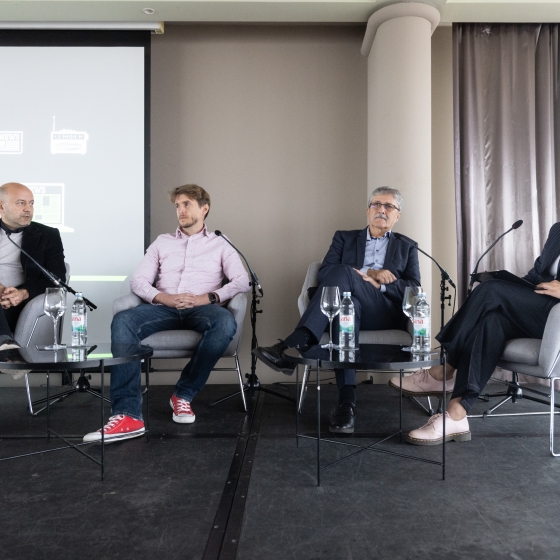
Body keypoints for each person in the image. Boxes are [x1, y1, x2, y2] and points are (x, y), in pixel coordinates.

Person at [84, 184, 250, 443]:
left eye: (187, 205)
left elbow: (242, 281)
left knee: (225, 323)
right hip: (163, 308)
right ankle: (127, 414)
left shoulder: (221, 243)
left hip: (203, 309)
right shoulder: (162, 242)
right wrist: (165, 298)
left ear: (204, 208)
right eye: (177, 206)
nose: (180, 210)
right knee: (123, 321)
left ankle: (183, 394)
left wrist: (206, 298)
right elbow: (139, 281)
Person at [253, 187, 420, 434]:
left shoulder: (407, 246)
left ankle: (295, 342)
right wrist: (370, 272)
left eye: (388, 206)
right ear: (368, 210)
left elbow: (414, 289)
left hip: (383, 311)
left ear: (398, 215)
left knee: (344, 272)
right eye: (376, 204)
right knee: (345, 308)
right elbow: (325, 272)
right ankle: (346, 405)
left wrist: (382, 284)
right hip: (348, 305)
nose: (381, 210)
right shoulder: (344, 238)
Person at [390, 221, 560, 445]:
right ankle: (457, 413)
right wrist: (514, 286)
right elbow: (536, 276)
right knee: (492, 321)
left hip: (556, 319)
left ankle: (444, 369)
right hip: (536, 309)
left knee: (490, 290)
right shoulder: (558, 230)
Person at [0, 182, 66, 377]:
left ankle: (6, 347)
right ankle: (7, 350)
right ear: (1, 206)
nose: (28, 209)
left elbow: (57, 277)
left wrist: (23, 293)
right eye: (21, 203)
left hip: (19, 305)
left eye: (31, 203)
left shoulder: (47, 235)